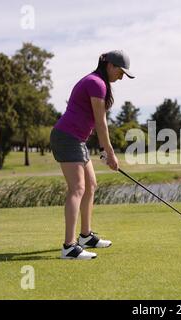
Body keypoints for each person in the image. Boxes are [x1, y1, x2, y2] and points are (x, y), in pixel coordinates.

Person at [50, 50, 135, 259]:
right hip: (67, 137)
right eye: (121, 71)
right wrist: (110, 152)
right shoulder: (96, 83)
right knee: (77, 188)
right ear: (110, 66)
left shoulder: (98, 83)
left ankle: (85, 236)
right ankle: (69, 247)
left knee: (90, 184)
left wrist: (104, 149)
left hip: (76, 139)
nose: (121, 76)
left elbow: (93, 123)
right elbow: (100, 122)